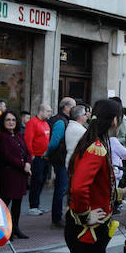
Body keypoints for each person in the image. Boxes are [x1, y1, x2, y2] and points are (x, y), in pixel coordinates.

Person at [65, 100, 126, 253]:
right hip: (88, 230)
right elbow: (79, 188)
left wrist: (122, 192)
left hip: (93, 229)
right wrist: (85, 215)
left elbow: (99, 187)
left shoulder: (97, 143)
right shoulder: (96, 148)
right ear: (115, 121)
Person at [0, 109, 31, 240]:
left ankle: (16, 228)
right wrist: (23, 166)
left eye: (13, 120)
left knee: (17, 203)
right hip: (9, 174)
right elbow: (6, 156)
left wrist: (28, 163)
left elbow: (26, 151)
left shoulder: (19, 135)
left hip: (20, 175)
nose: (11, 122)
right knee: (5, 203)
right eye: (8, 120)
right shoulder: (1, 137)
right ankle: (5, 229)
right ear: (3, 122)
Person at [46, 97, 76, 229]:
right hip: (60, 159)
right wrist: (47, 153)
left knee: (63, 188)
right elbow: (54, 142)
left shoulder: (65, 120)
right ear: (66, 107)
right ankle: (57, 218)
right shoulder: (60, 121)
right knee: (61, 188)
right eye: (73, 106)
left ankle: (60, 216)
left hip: (62, 158)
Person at [25, 103, 53, 215]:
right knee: (36, 181)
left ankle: (37, 205)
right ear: (41, 111)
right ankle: (33, 206)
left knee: (42, 181)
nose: (50, 113)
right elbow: (28, 140)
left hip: (45, 157)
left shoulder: (46, 123)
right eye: (48, 111)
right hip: (36, 157)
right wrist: (30, 155)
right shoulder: (33, 123)